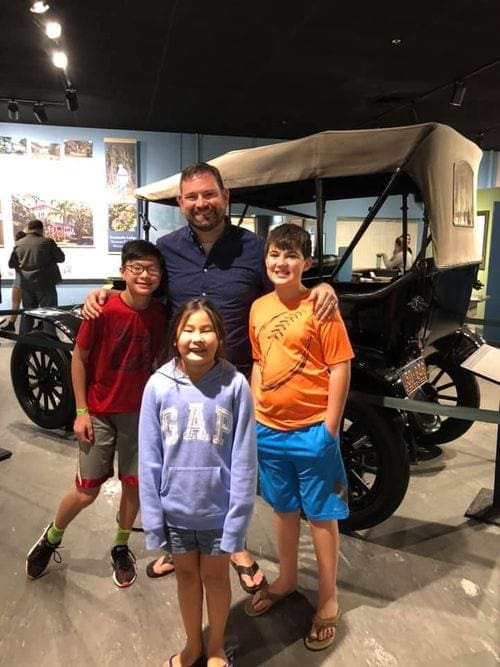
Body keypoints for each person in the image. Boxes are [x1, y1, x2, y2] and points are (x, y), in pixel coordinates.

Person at [83, 161, 338, 588]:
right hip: (181, 382)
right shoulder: (166, 248)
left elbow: (285, 288)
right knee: (181, 467)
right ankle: (179, 543)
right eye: (192, 197)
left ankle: (233, 543)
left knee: (232, 469)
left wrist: (321, 289)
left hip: (235, 380)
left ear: (225, 198)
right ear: (181, 203)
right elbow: (142, 285)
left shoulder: (256, 249)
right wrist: (106, 291)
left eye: (209, 194)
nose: (201, 203)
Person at [25, 240, 168, 588]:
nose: (144, 275)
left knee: (133, 486)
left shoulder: (160, 315)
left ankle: (120, 546)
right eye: (137, 268)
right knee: (86, 490)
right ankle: (52, 537)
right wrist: (81, 411)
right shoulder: (102, 310)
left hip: (138, 414)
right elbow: (79, 358)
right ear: (123, 273)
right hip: (100, 412)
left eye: (152, 269)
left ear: (161, 275)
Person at [245, 223, 354, 653]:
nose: (281, 262)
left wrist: (329, 429)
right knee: (283, 509)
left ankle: (328, 597)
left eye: (291, 255)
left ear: (306, 263)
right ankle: (287, 579)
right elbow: (258, 361)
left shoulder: (321, 306)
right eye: (275, 253)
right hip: (268, 431)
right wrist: (256, 413)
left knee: (322, 515)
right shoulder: (258, 307)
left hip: (312, 431)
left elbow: (340, 366)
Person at [139, 298, 257, 667]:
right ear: (176, 338)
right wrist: (154, 520)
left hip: (217, 512)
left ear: (220, 338)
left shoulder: (235, 386)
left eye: (207, 329)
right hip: (175, 509)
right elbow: (149, 458)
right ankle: (193, 644)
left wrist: (237, 520)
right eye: (189, 329)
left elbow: (244, 458)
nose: (197, 337)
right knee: (186, 578)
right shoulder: (157, 386)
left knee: (217, 579)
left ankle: (217, 644)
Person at [11, 219, 65, 335]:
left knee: (27, 315)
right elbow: (61, 258)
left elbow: (12, 263)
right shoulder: (47, 242)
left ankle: (23, 345)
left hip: (26, 285)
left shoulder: (18, 244)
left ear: (29, 229)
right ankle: (51, 346)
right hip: (46, 285)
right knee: (49, 316)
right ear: (41, 229)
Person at [0, 230, 27, 332]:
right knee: (29, 304)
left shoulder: (17, 249)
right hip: (31, 280)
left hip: (20, 278)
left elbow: (10, 264)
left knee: (15, 303)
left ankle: (11, 324)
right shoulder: (30, 249)